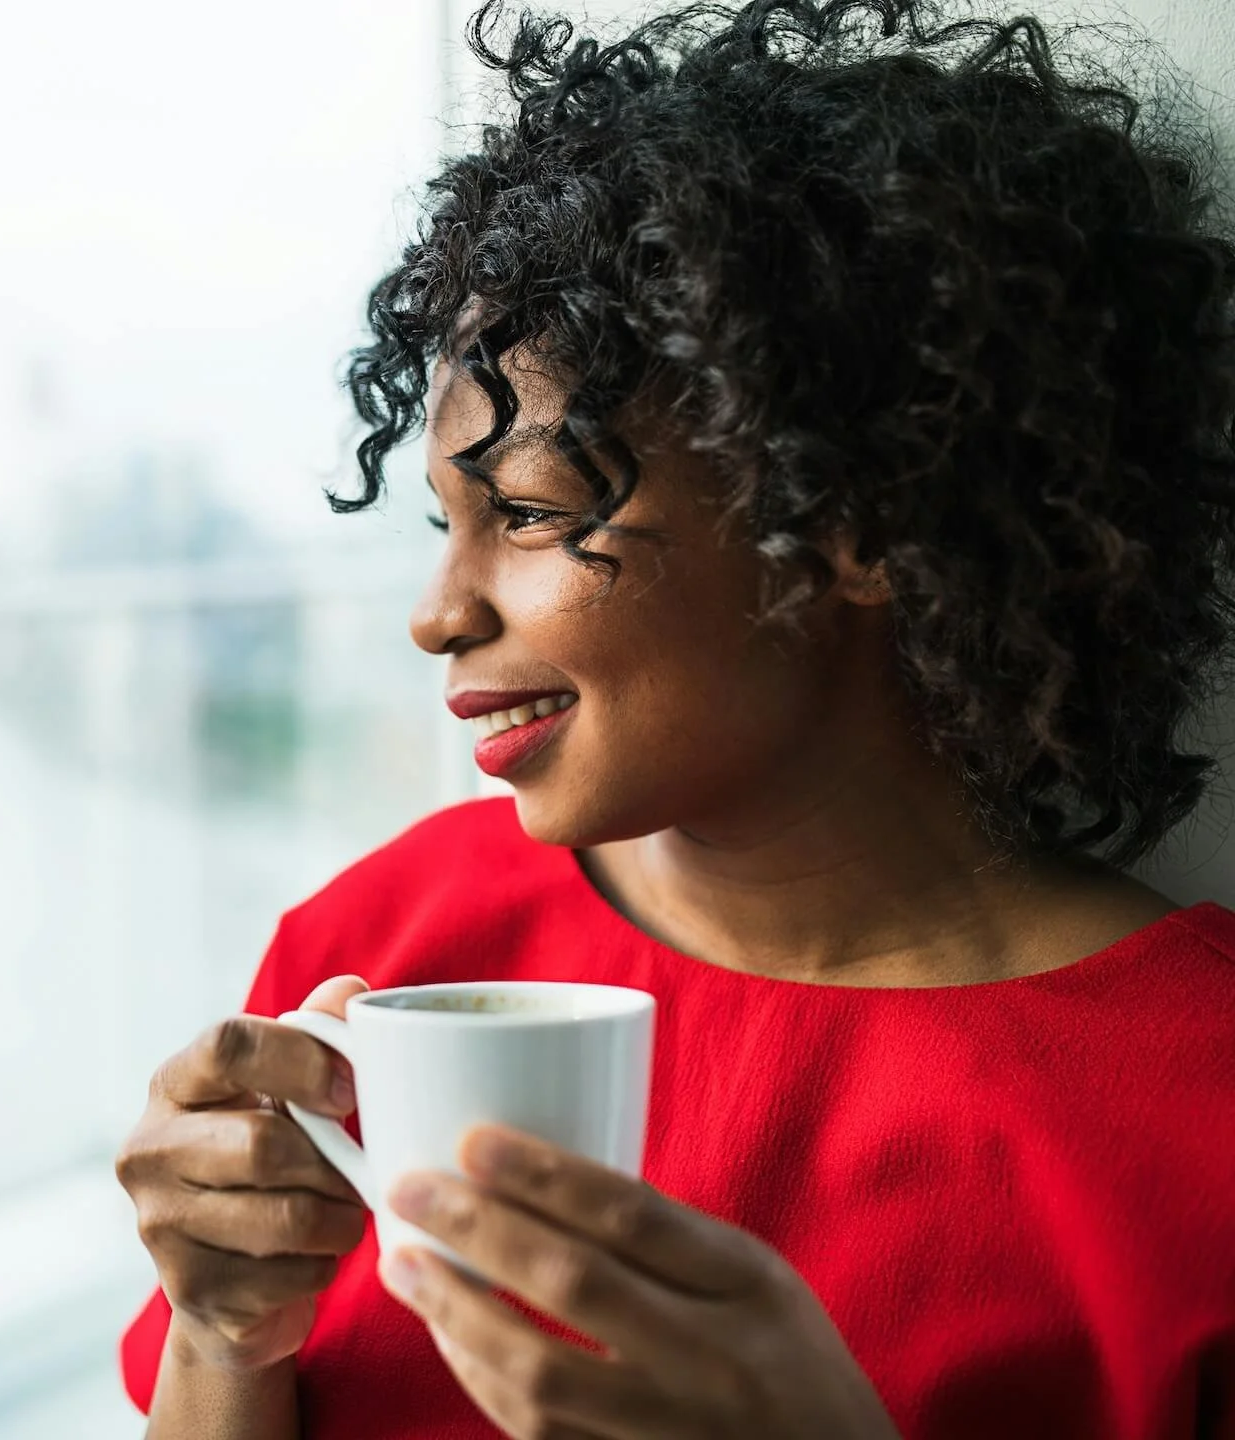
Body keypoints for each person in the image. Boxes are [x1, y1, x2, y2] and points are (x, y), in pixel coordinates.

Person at [112, 0, 1235, 1435]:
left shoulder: (1199, 1119)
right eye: (443, 523)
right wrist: (222, 1341)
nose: (437, 612)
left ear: (857, 521)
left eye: (524, 512)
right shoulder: (384, 957)